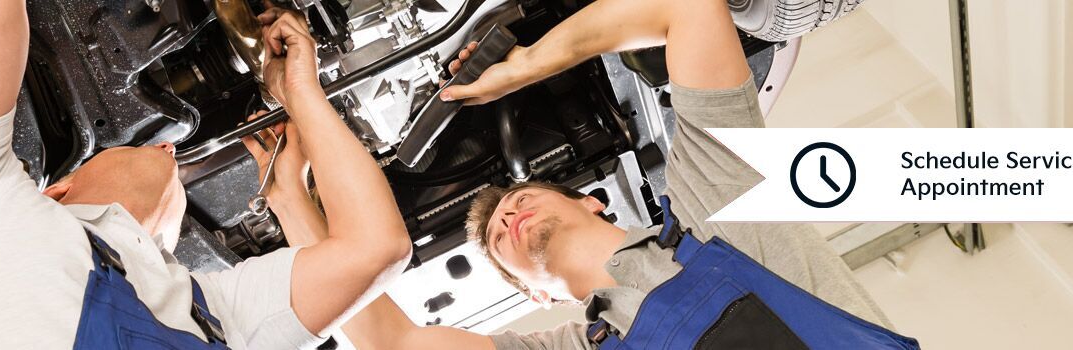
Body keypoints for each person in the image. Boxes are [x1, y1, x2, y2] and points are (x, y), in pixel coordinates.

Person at [253, 0, 918, 348]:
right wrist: (291, 199)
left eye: (505, 218)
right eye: (497, 240)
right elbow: (389, 337)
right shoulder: (716, 216)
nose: (506, 220)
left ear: (598, 206)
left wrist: (532, 62)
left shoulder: (714, 208)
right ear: (541, 301)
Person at [0, 0, 410, 348]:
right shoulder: (216, 313)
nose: (170, 148)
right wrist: (303, 93)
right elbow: (375, 249)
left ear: (58, 189)